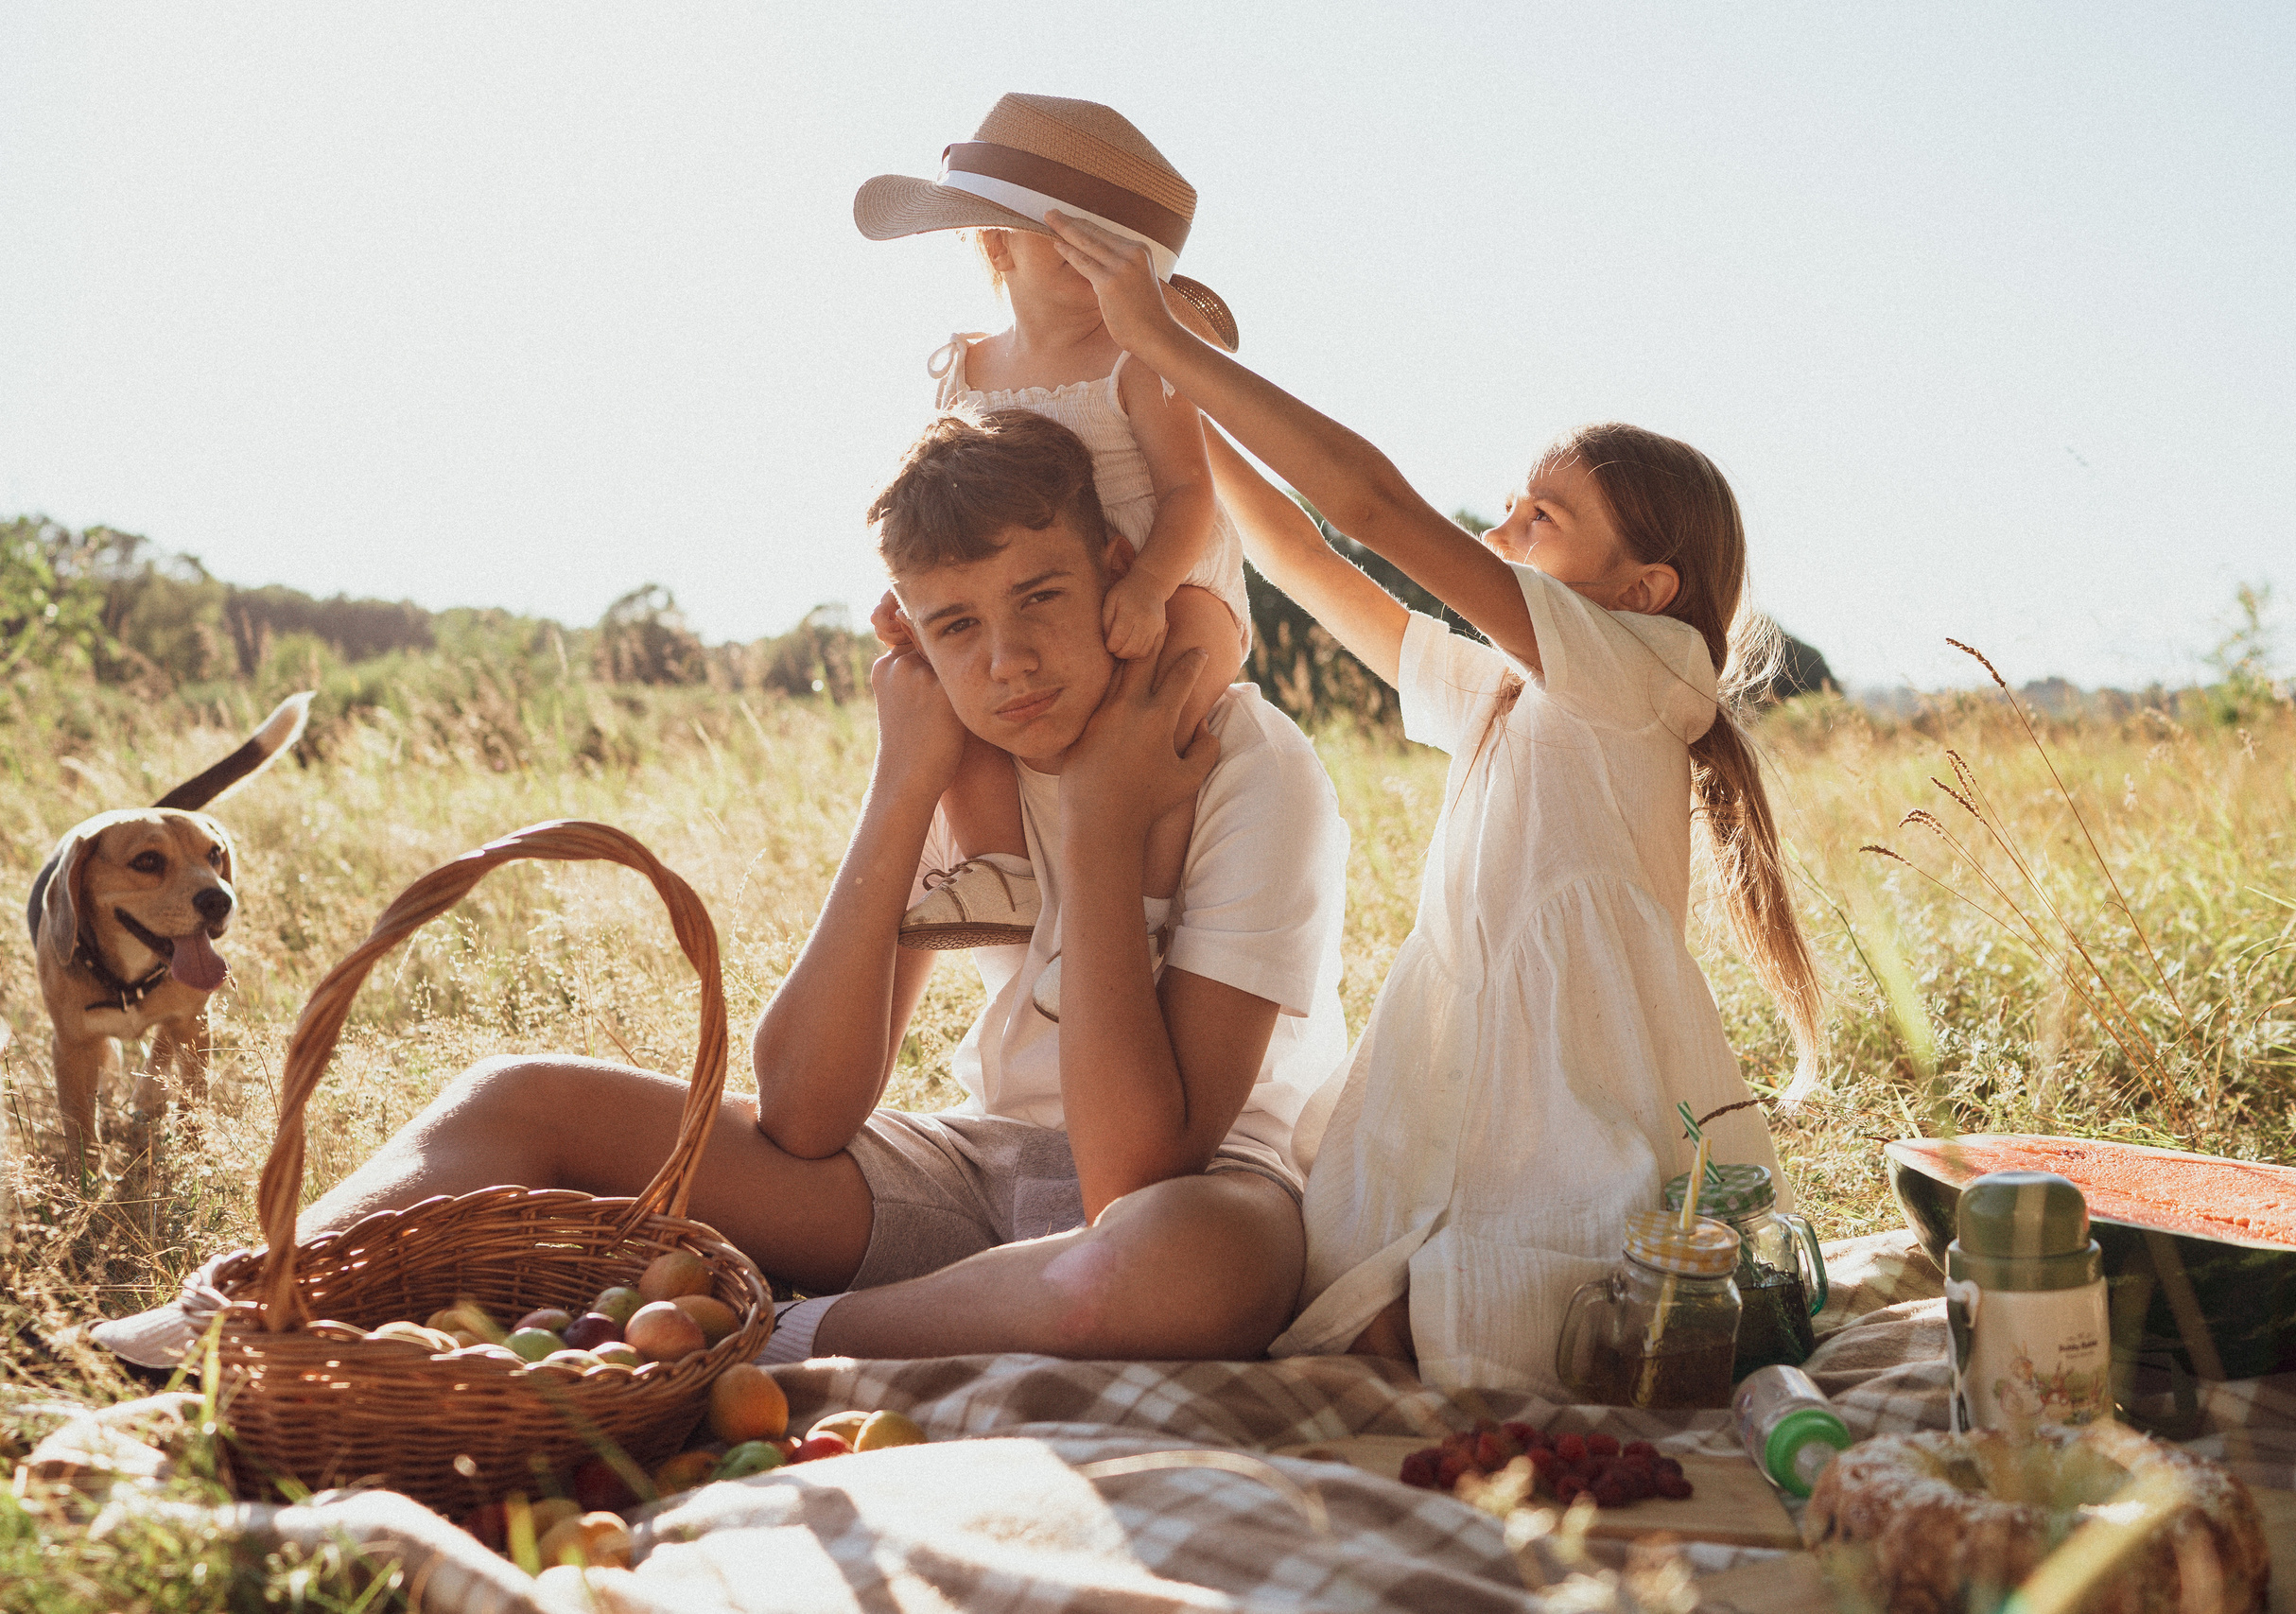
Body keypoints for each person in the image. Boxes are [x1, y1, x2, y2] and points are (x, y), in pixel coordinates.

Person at [94, 409, 1347, 1369]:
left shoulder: (1245, 761)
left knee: (1170, 1267)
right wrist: (903, 776)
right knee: (516, 1094)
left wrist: (1104, 827)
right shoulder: (962, 758)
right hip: (972, 1171)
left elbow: (1135, 1166)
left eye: (1040, 597)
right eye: (954, 625)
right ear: (908, 636)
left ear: (1116, 568)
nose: (1007, 660)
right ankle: (233, 1314)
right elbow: (806, 1109)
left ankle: (782, 1342)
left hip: (1204, 1189)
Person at [1045, 211, 1826, 1395]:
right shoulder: (1509, 688)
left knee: (1547, 1329)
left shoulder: (1640, 667)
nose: (1496, 530)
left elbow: (1375, 511)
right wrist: (1175, 398)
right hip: (1457, 1072)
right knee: (1350, 1311)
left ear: (1644, 586)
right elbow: (1310, 560)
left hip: (1568, 1094)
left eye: (1540, 518)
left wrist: (1175, 341)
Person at [854, 95, 1252, 1011]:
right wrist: (913, 601)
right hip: (1016, 591)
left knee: (1164, 683)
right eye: (1076, 242)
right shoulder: (967, 367)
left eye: (1127, 253)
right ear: (997, 245)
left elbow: (1191, 494)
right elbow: (938, 506)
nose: (1105, 268)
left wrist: (1150, 580)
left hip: (1165, 571)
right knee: (951, 687)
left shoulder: (1138, 357)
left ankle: (1142, 897)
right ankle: (1000, 865)